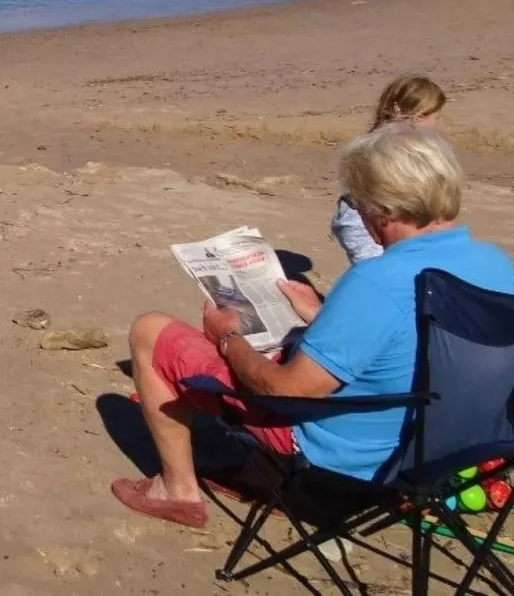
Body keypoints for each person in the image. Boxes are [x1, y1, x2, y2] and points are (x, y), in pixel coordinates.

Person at [111, 127, 514, 529]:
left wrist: (228, 338)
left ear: (385, 210)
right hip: (445, 451)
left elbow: (285, 391)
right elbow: (421, 345)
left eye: (358, 204)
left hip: (348, 460)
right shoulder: (497, 266)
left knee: (150, 331)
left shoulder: (379, 281)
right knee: (286, 346)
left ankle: (176, 490)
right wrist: (323, 316)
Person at [332, 75, 446, 265]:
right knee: (378, 268)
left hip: (392, 219)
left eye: (435, 117)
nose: (432, 124)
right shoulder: (377, 148)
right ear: (398, 110)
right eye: (423, 116)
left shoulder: (413, 147)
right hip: (363, 219)